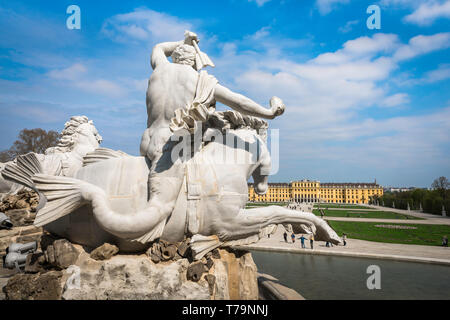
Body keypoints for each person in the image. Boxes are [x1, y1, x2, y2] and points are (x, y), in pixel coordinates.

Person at [138, 31, 285, 238]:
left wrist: (183, 41)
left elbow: (158, 48)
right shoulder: (199, 80)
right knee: (216, 134)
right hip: (174, 148)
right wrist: (268, 113)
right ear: (194, 61)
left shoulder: (160, 68)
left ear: (176, 57)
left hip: (147, 142)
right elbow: (240, 103)